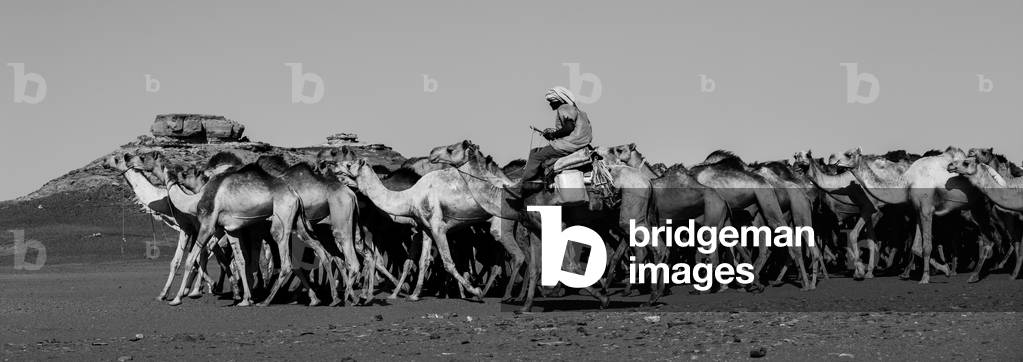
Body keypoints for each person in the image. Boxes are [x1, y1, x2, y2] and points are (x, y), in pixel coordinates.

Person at [504, 86, 593, 202]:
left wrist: (552, 135)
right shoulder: (580, 112)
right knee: (535, 151)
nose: (550, 105)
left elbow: (568, 128)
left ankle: (519, 188)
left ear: (559, 100)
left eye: (551, 102)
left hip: (569, 145)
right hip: (579, 143)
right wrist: (554, 133)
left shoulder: (564, 108)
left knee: (536, 156)